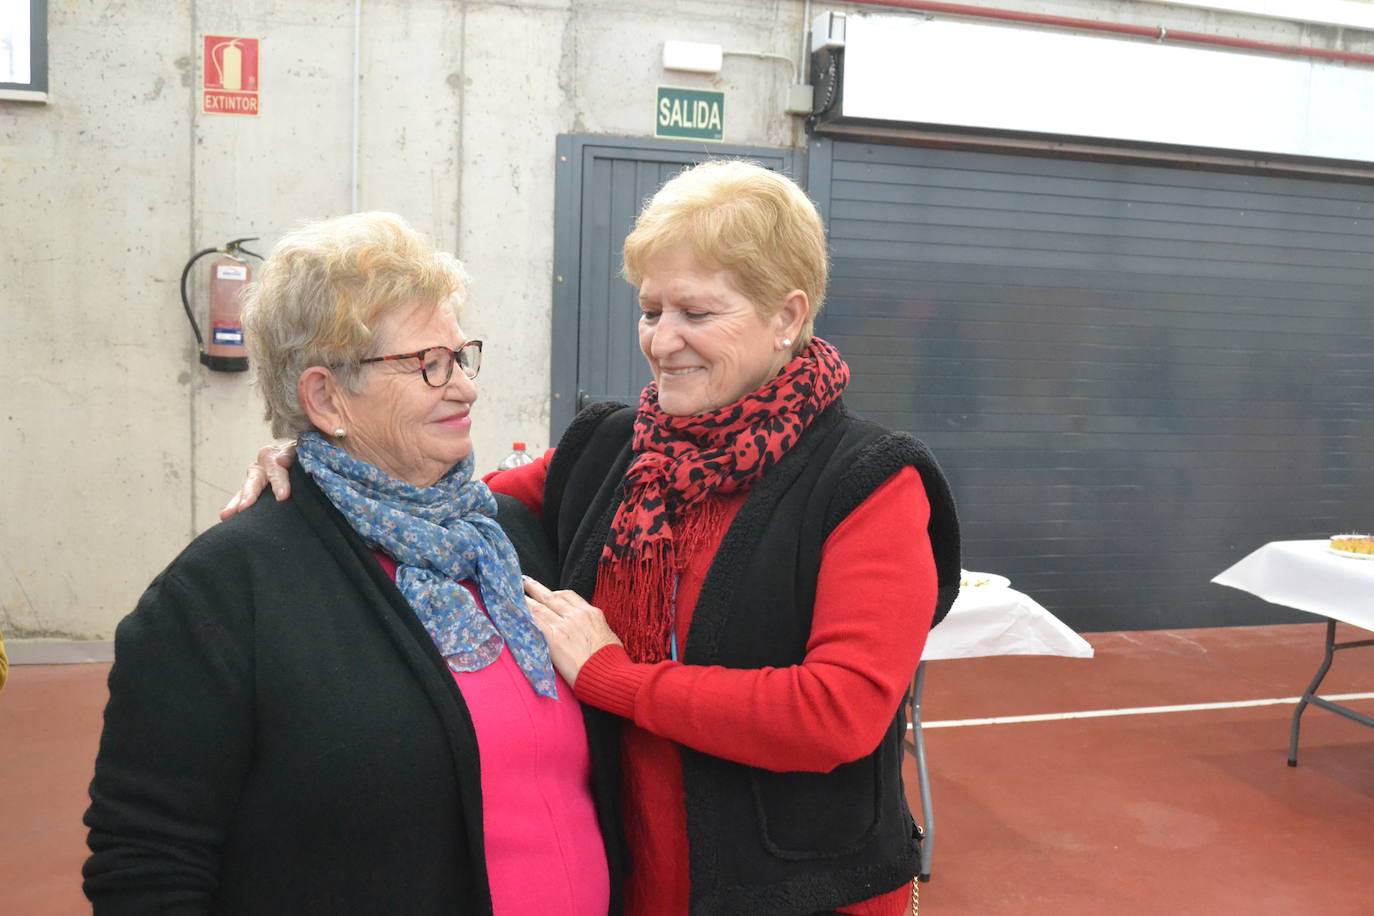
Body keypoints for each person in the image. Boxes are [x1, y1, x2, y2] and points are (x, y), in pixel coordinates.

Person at [226, 162, 960, 915]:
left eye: (697, 314)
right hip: (636, 883)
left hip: (803, 895)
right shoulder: (610, 452)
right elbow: (432, 505)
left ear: (786, 315)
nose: (662, 340)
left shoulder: (865, 482)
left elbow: (837, 712)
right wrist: (323, 457)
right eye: (650, 310)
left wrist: (613, 675)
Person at [84, 212, 621, 915]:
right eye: (428, 363)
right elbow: (147, 860)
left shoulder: (508, 538)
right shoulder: (223, 594)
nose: (464, 387)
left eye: (463, 356)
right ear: (325, 397)